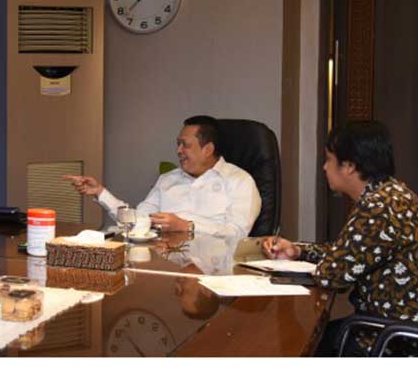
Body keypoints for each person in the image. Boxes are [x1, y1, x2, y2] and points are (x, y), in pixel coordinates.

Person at [262, 120, 418, 356]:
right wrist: (298, 251)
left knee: (294, 344)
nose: (324, 167)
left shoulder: (377, 208)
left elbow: (333, 276)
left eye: (329, 159)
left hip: (389, 340)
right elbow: (348, 253)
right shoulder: (393, 193)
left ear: (349, 166)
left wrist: (313, 264)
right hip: (395, 326)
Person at [65, 115, 261, 238]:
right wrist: (100, 192)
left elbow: (237, 233)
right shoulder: (168, 179)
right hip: (166, 263)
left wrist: (188, 226)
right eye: (178, 144)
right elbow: (138, 220)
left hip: (213, 270)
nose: (178, 150)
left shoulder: (240, 181)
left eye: (185, 145)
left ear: (208, 149)